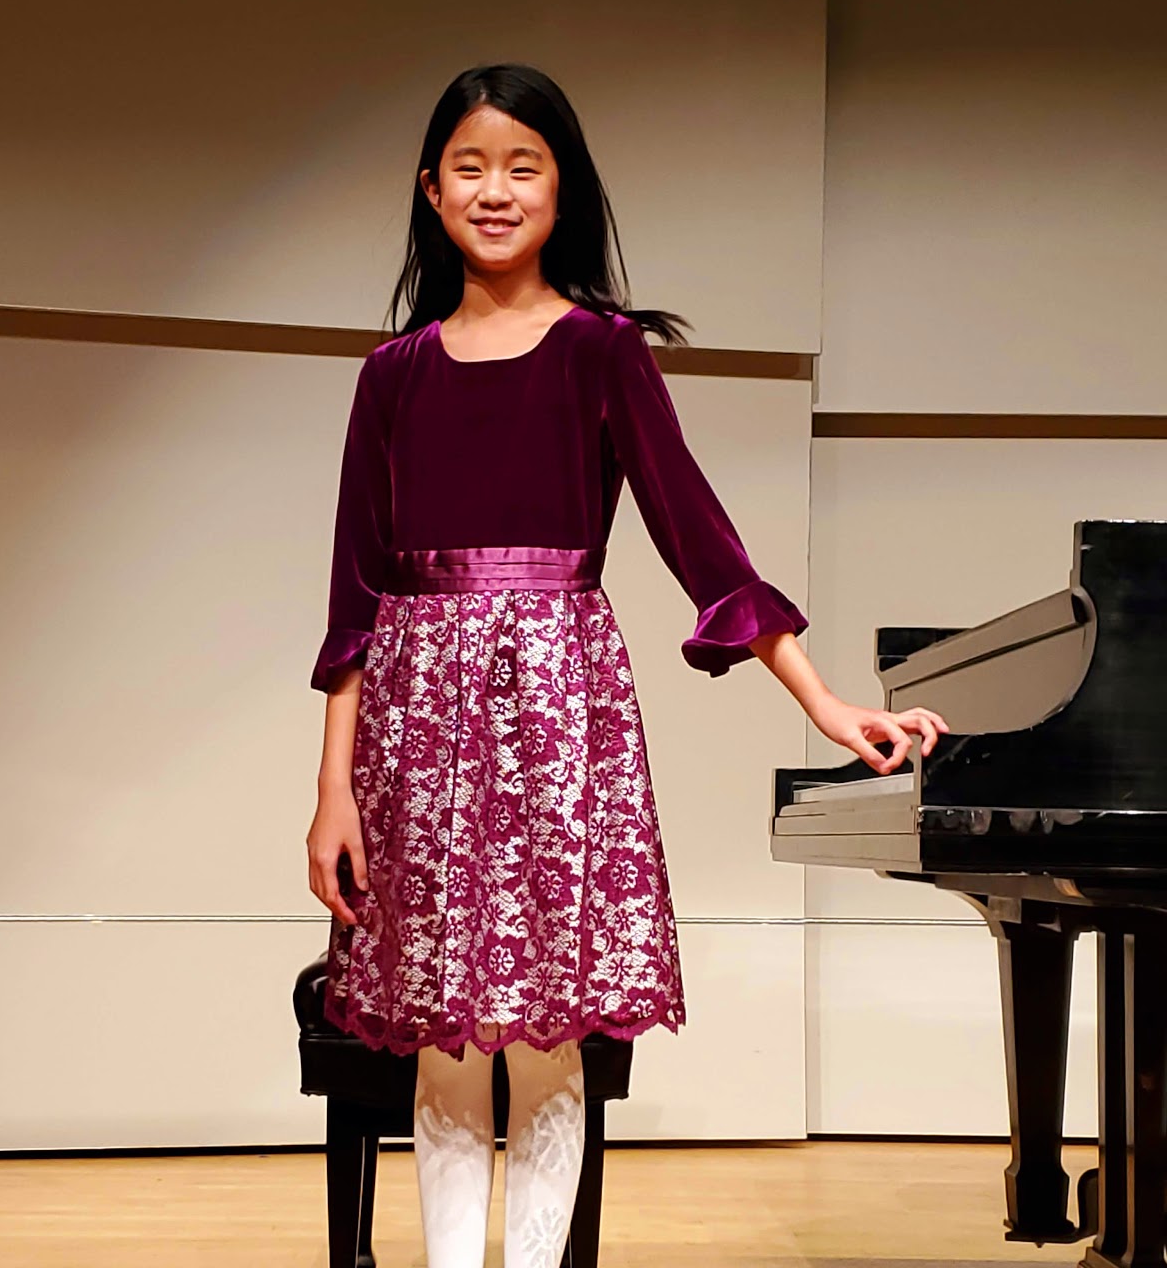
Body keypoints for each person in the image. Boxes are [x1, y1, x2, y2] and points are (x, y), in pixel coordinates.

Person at [305, 62, 948, 1268]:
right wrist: (332, 790)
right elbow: (355, 600)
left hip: (560, 713)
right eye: (469, 167)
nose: (495, 190)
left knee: (545, 1036)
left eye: (523, 166)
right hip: (416, 726)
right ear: (430, 189)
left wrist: (822, 701)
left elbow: (700, 537)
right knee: (447, 1041)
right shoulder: (389, 376)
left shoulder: (599, 351)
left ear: (562, 190)